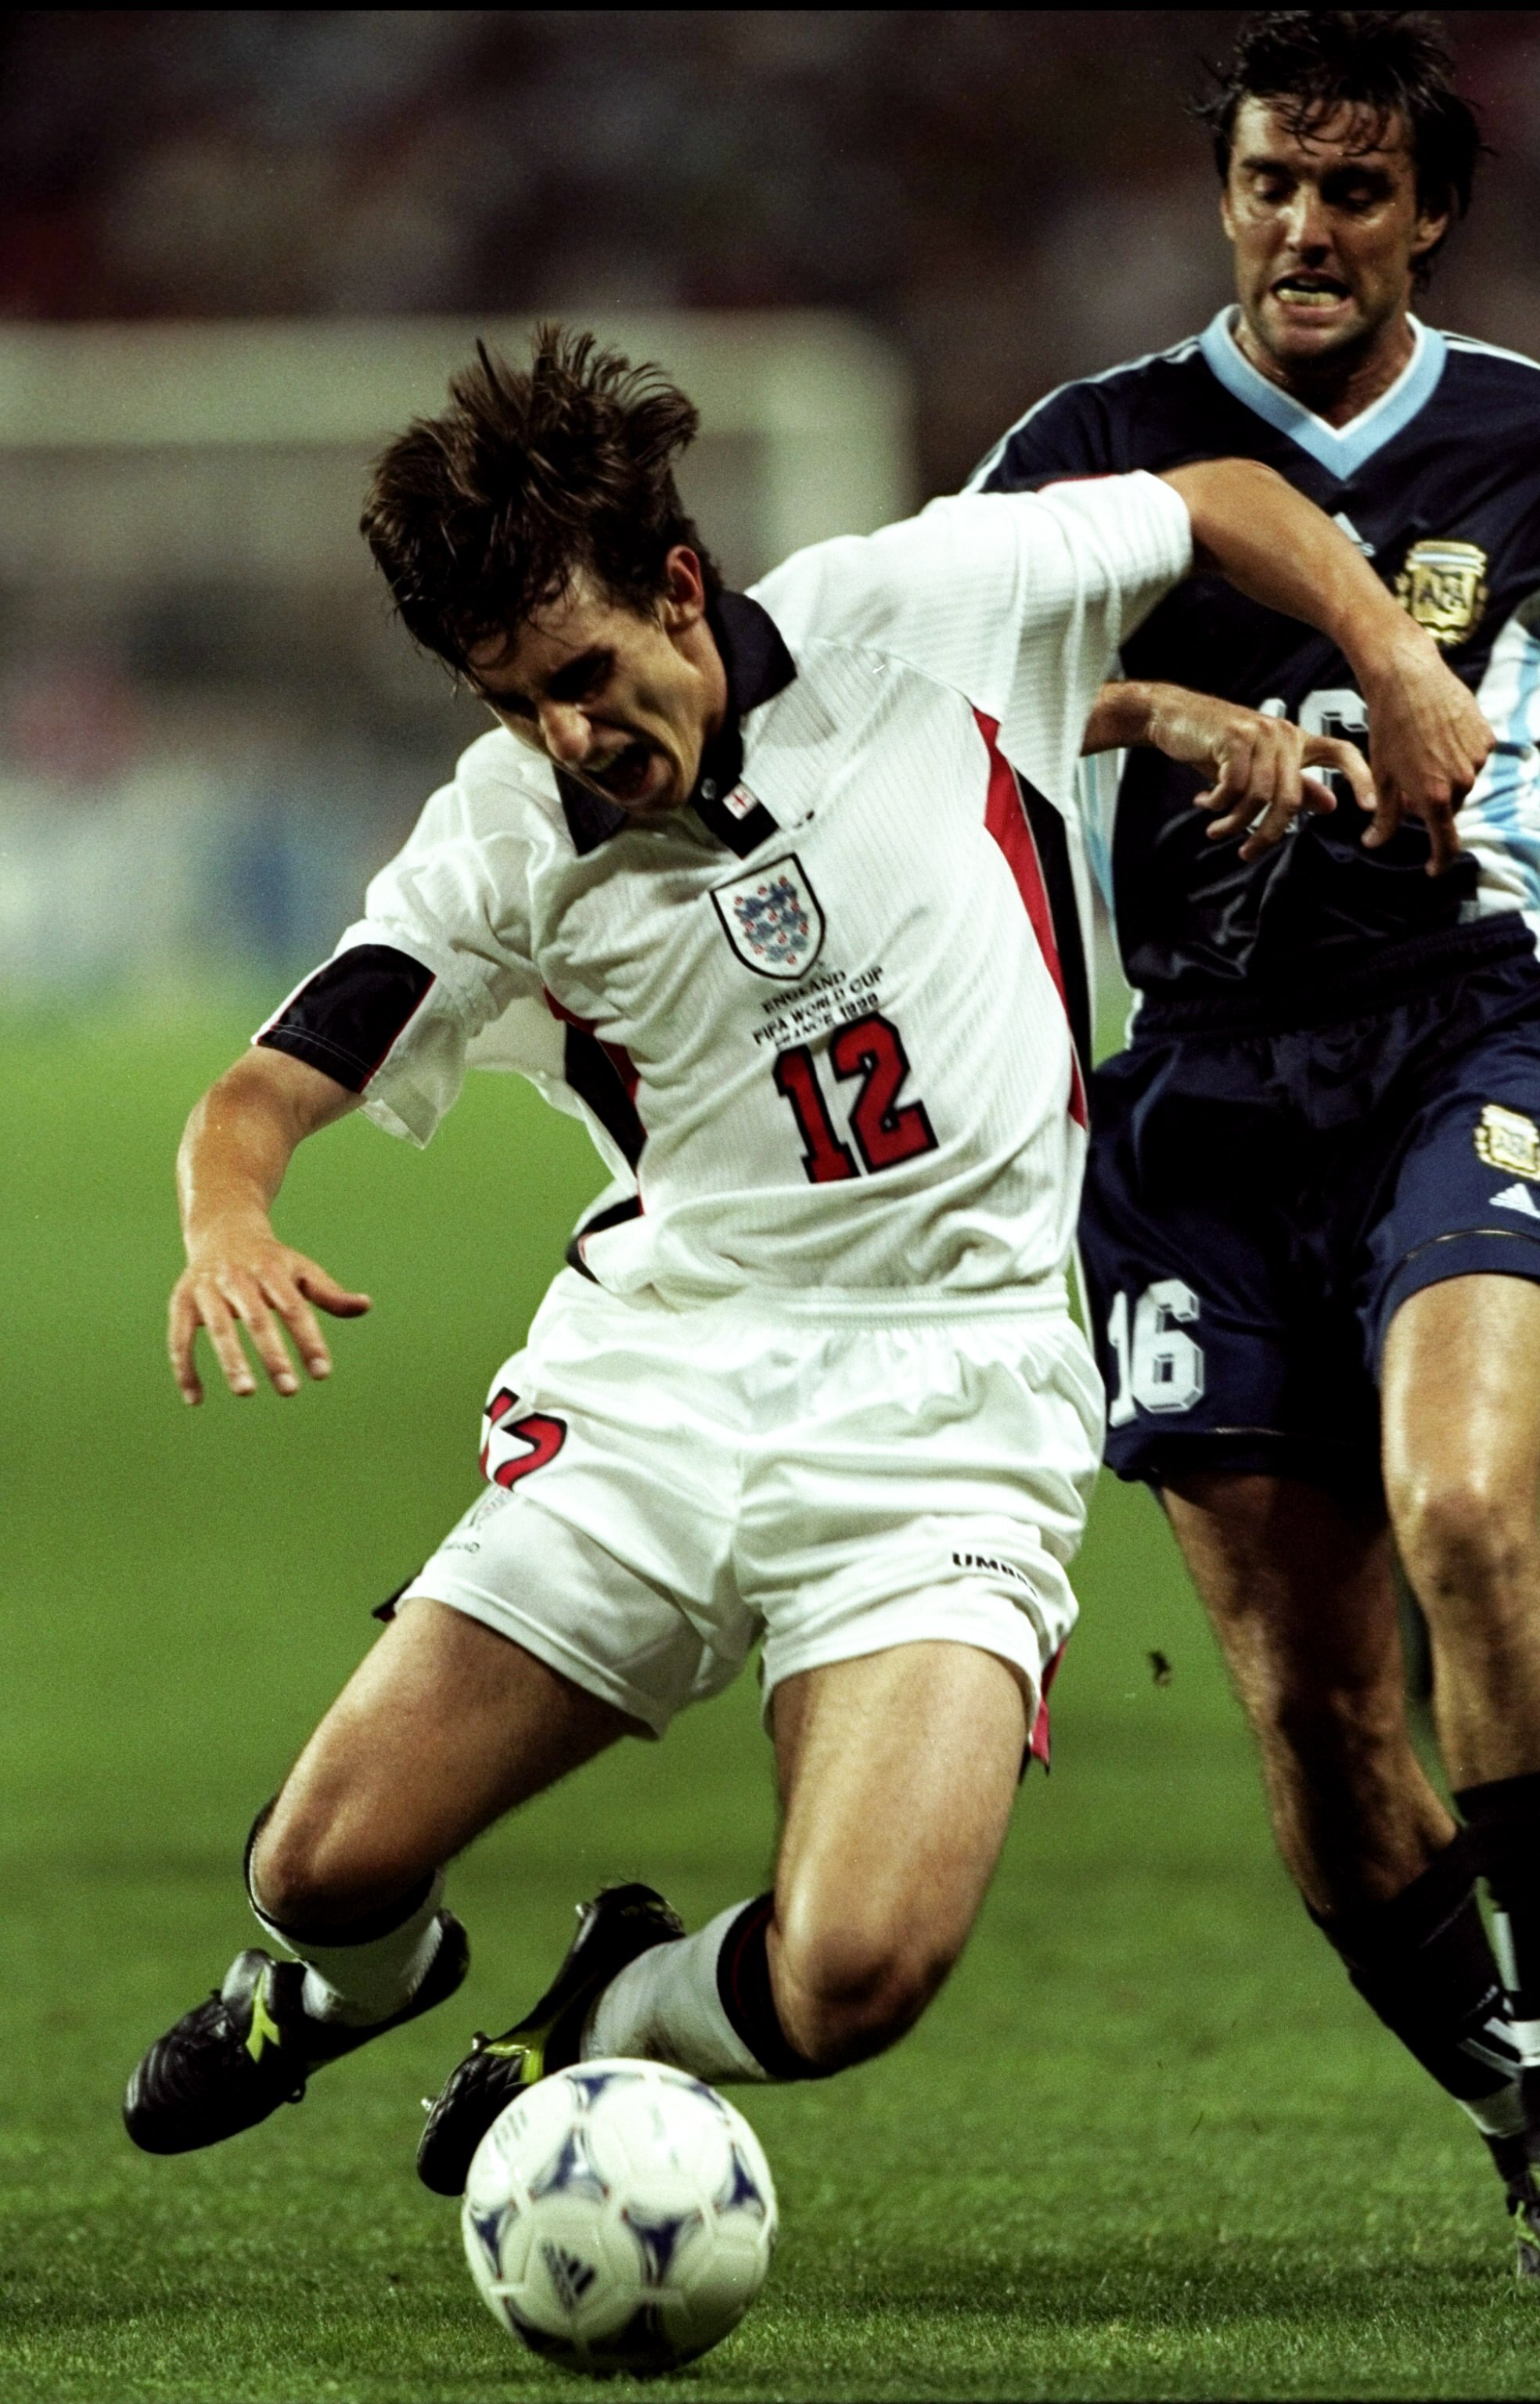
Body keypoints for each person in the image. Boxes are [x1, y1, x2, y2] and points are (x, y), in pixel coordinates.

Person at [122, 325, 1482, 2201]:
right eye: (515, 703)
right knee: (319, 1867)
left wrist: (1391, 661)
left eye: (584, 677)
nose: (567, 737)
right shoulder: (508, 837)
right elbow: (271, 1082)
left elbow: (1227, 499)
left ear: (683, 591)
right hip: (671, 1380)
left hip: (953, 1402)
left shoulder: (917, 602)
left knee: (856, 1975)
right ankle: (339, 1989)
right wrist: (230, 1215)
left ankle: (607, 2013)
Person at [974, 8, 1540, 2268]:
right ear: (1225, 197)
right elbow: (909, 693)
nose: (1304, 228)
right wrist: (1162, 709)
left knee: (1471, 1512)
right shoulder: (1093, 449)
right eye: (1268, 185)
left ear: (1430, 214)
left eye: (1353, 191)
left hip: (1467, 1038)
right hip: (1202, 1101)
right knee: (1317, 1717)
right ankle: (1518, 2098)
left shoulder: (1524, 441)